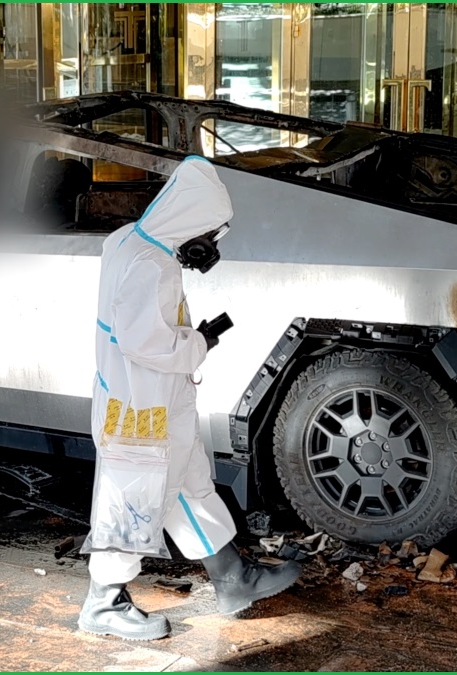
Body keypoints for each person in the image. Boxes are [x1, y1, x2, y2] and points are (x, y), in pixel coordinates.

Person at [78, 156, 301, 641]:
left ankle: (233, 578)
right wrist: (198, 343)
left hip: (156, 403)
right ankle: (103, 604)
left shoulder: (128, 240)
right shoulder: (151, 264)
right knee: (133, 501)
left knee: (189, 486)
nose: (210, 245)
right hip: (139, 412)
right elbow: (144, 342)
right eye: (210, 233)